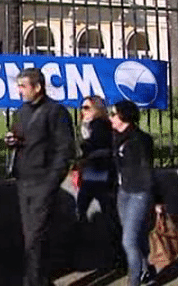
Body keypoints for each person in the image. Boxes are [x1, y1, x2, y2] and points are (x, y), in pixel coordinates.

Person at [4, 68, 75, 286]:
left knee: (35, 235)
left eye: (23, 86)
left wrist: (51, 181)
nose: (19, 91)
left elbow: (65, 150)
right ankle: (40, 278)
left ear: (38, 87)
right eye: (18, 86)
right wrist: (13, 140)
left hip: (43, 181)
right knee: (31, 236)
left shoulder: (56, 112)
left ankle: (33, 280)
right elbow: (19, 134)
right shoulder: (22, 111)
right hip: (23, 180)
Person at [109, 100, 156, 286]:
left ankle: (134, 281)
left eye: (114, 114)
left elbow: (147, 169)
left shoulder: (140, 139)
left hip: (139, 192)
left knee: (128, 240)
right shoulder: (115, 136)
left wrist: (156, 199)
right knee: (137, 236)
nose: (111, 118)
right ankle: (146, 271)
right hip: (123, 191)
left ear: (124, 116)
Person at [75, 96, 124, 267]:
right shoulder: (90, 126)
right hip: (95, 172)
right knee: (106, 212)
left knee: (98, 211)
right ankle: (118, 254)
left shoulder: (99, 124)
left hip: (99, 172)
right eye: (82, 108)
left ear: (97, 109)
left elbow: (98, 146)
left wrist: (84, 146)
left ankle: (119, 254)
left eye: (87, 107)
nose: (83, 111)